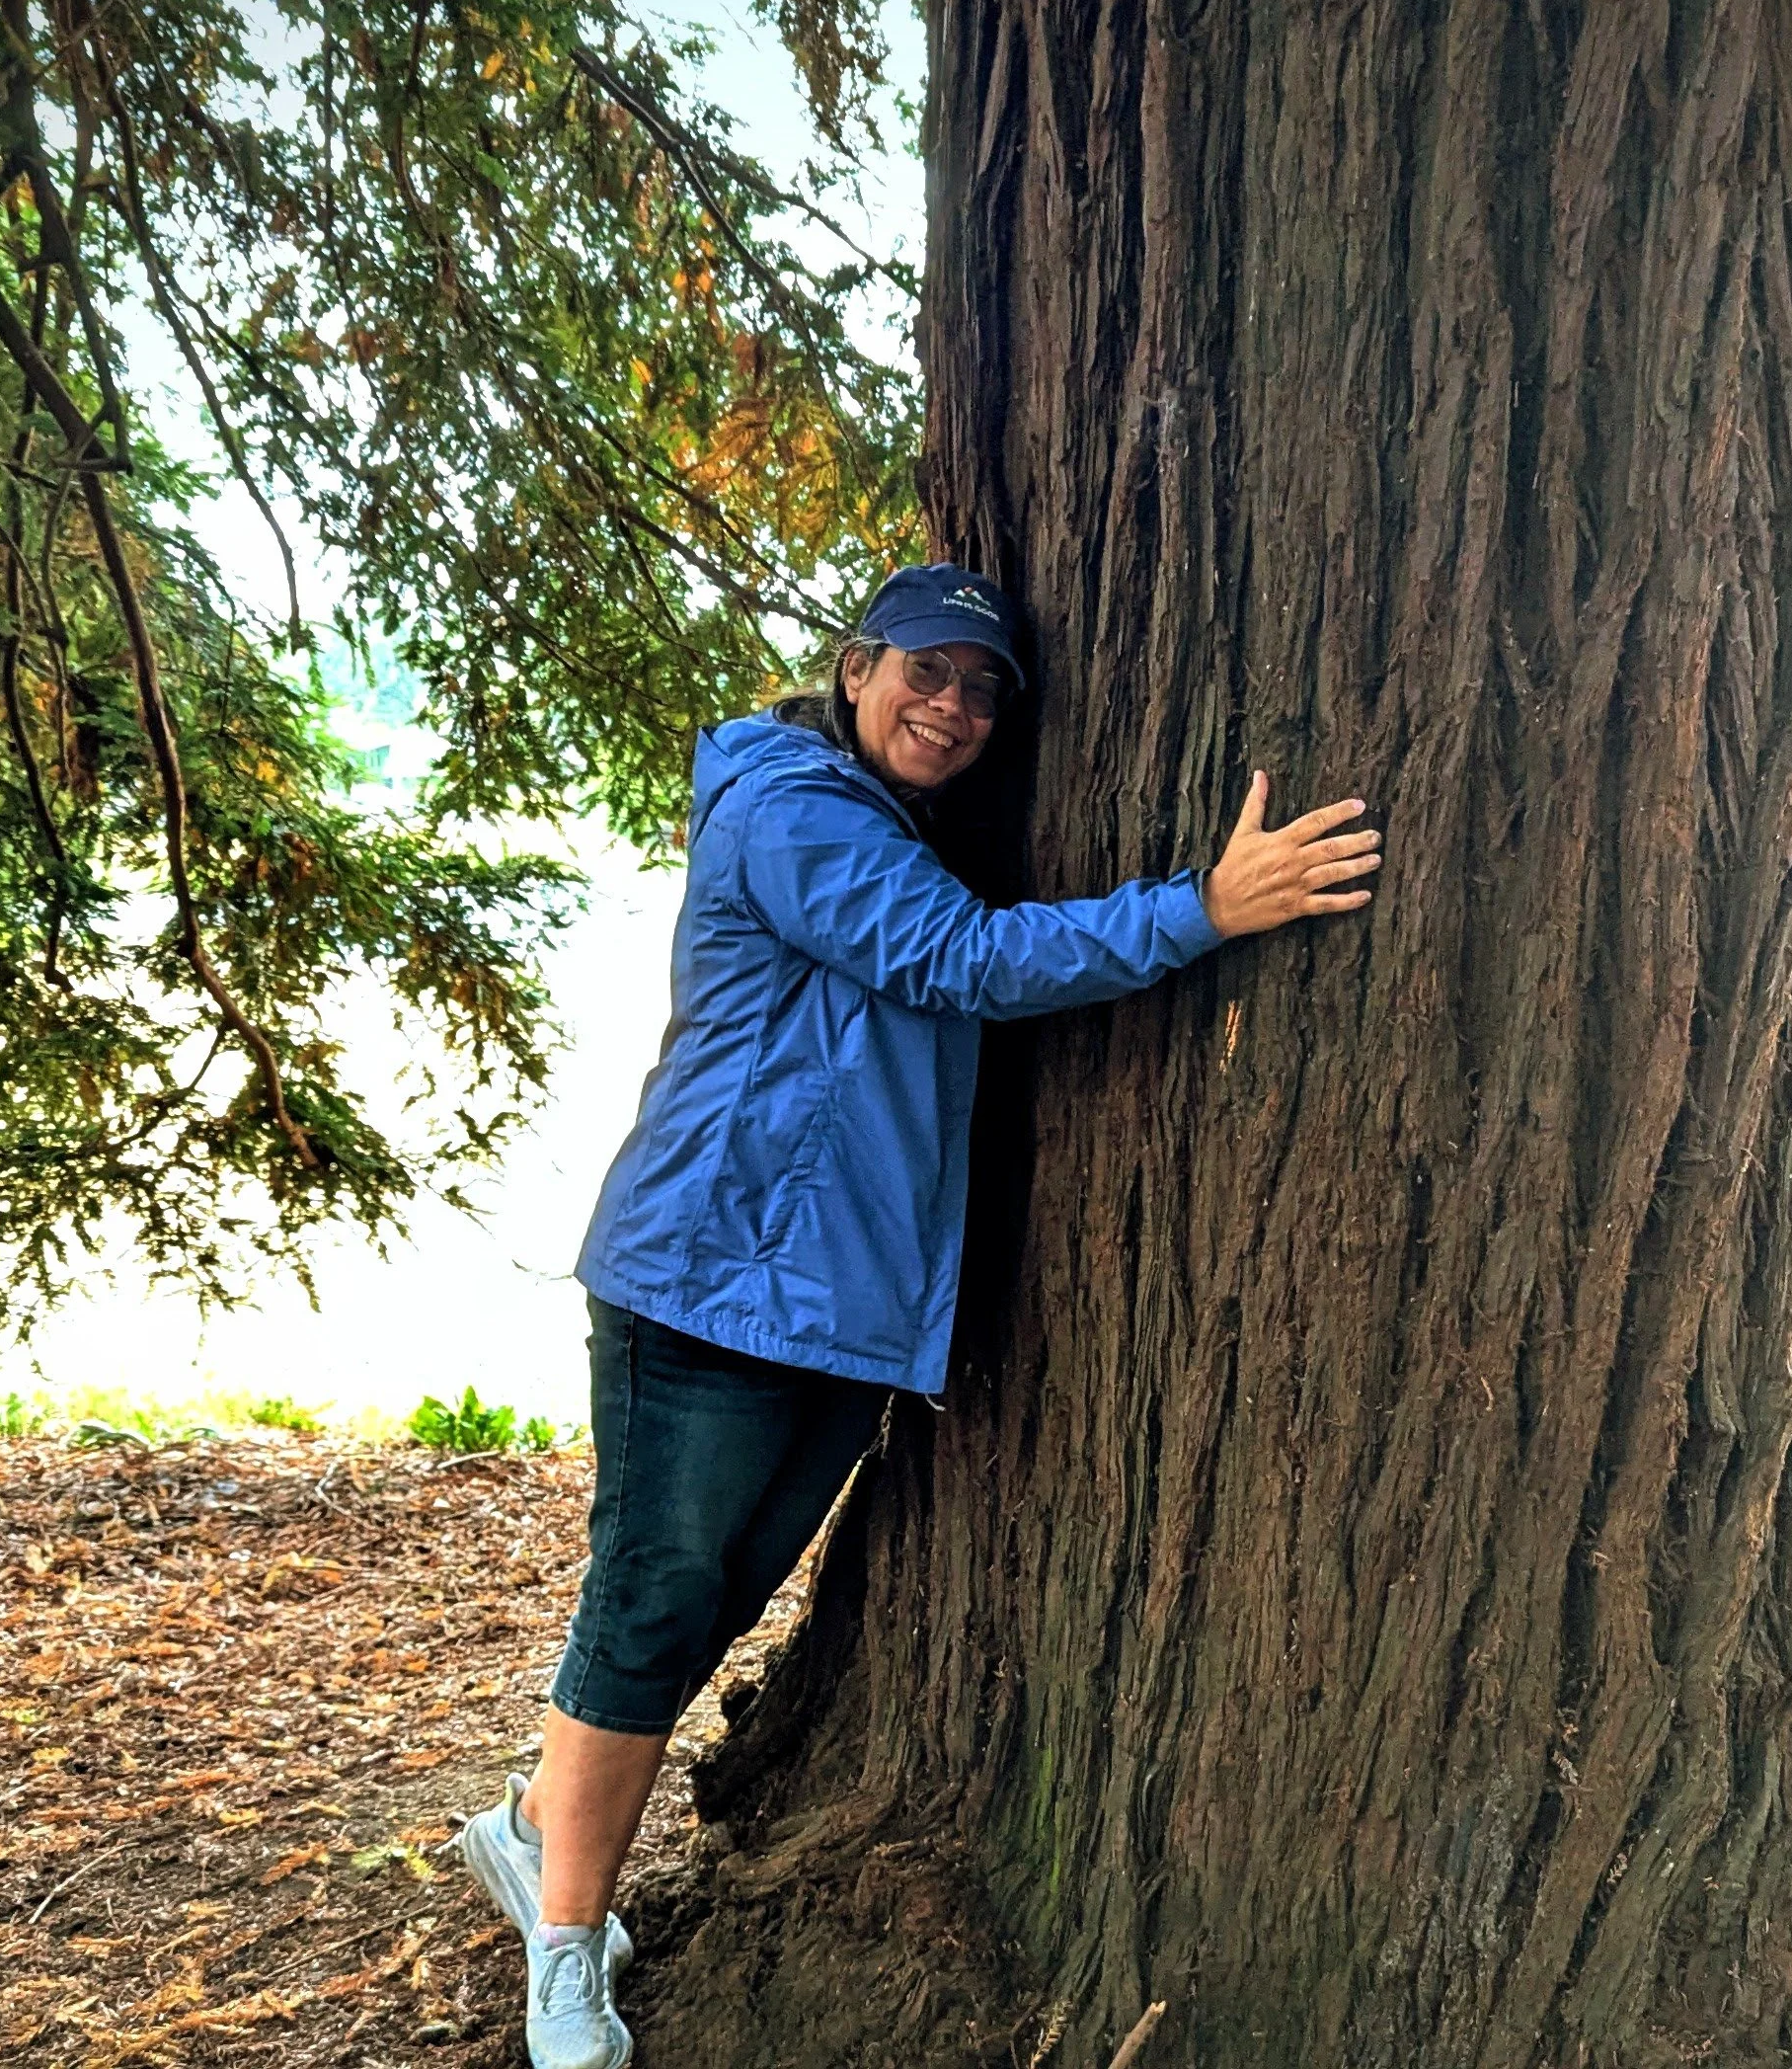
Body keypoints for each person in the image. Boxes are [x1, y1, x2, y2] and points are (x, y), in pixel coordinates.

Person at [461, 563, 1380, 2069]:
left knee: (712, 1596)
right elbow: (957, 960)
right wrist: (1204, 908)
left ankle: (532, 1826)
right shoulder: (793, 807)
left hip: (833, 1301)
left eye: (983, 690)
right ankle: (565, 1947)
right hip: (708, 1276)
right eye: (927, 672)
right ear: (854, 667)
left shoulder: (881, 822)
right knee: (648, 1600)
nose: (953, 708)